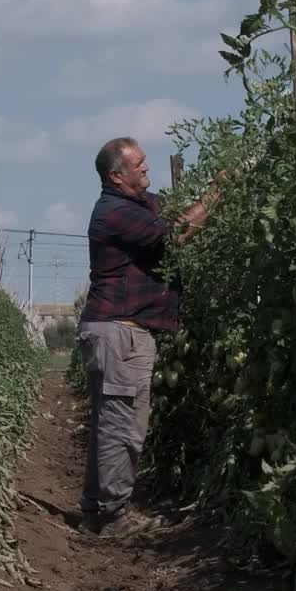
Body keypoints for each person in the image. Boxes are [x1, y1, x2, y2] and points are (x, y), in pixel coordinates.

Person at [75, 136, 228, 537]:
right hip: (120, 331)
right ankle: (112, 515)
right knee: (122, 426)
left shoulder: (139, 205)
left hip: (118, 331)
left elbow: (173, 212)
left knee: (112, 422)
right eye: (138, 164)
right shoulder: (114, 212)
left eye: (145, 161)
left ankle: (98, 508)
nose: (146, 167)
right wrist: (219, 190)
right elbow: (174, 233)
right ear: (116, 175)